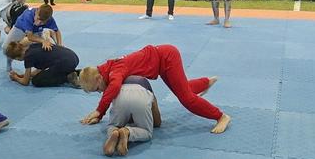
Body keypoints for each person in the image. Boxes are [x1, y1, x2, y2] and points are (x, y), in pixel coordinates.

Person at [78, 44, 231, 134]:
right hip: (163, 59)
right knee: (182, 89)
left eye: (97, 89)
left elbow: (114, 87)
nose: (100, 92)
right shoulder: (107, 69)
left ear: (98, 78)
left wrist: (99, 110)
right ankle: (206, 82)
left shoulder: (114, 71)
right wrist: (99, 116)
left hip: (167, 57)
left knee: (187, 99)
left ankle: (221, 117)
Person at [100, 77, 161, 156]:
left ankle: (114, 131)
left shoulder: (119, 80)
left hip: (121, 94)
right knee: (146, 132)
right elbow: (157, 122)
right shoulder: (145, 83)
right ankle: (127, 132)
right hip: (142, 95)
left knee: (112, 125)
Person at [4, 40, 80, 88]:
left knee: (36, 81)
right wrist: (22, 75)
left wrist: (15, 78)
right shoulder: (32, 46)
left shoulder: (28, 57)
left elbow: (25, 82)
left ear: (17, 58)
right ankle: (76, 72)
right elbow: (39, 70)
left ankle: (66, 78)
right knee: (43, 74)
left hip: (66, 63)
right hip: (73, 57)